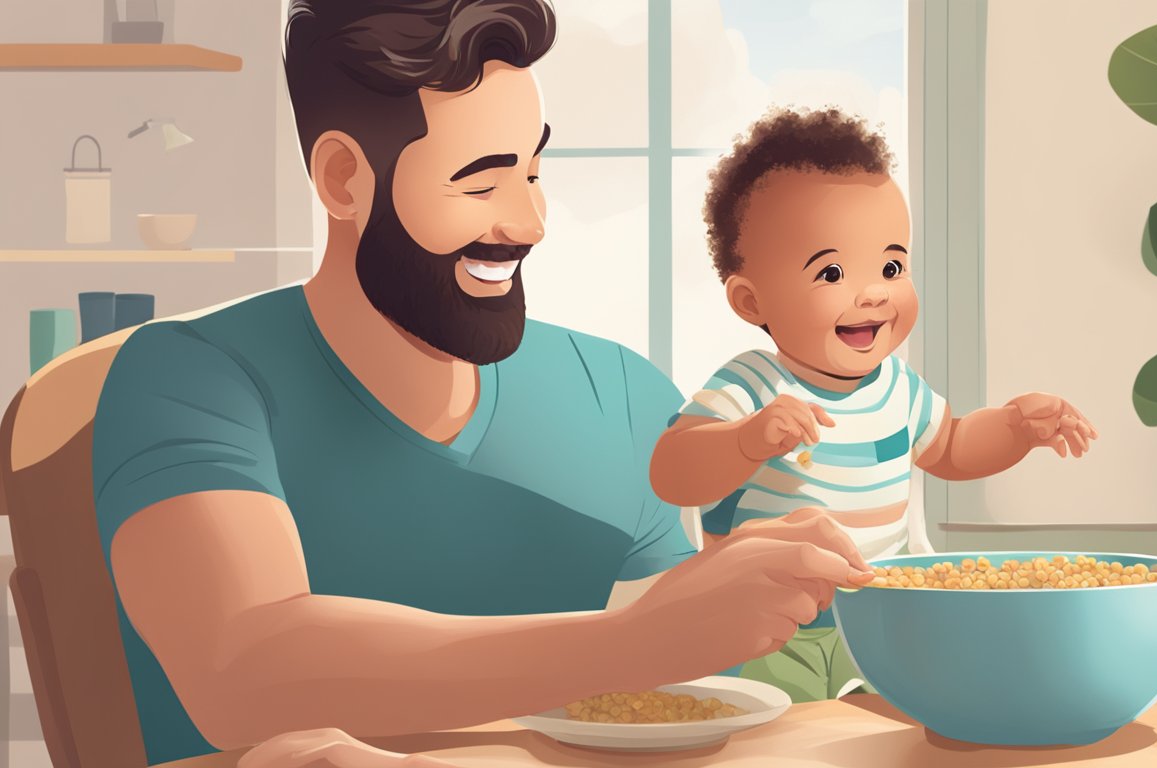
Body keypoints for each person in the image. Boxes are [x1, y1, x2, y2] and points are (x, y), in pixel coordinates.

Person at [91, 4, 872, 764]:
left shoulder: (622, 395)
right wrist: (638, 639)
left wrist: (736, 596)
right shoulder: (191, 379)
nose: (530, 220)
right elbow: (242, 672)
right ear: (342, 179)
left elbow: (673, 695)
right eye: (483, 182)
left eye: (533, 171)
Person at [650, 107, 1098, 703]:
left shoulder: (899, 388)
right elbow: (673, 472)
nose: (873, 292)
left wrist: (1016, 427)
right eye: (831, 272)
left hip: (886, 616)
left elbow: (954, 447)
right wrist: (745, 440)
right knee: (779, 730)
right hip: (769, 628)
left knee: (904, 722)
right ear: (751, 300)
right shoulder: (752, 384)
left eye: (892, 265)